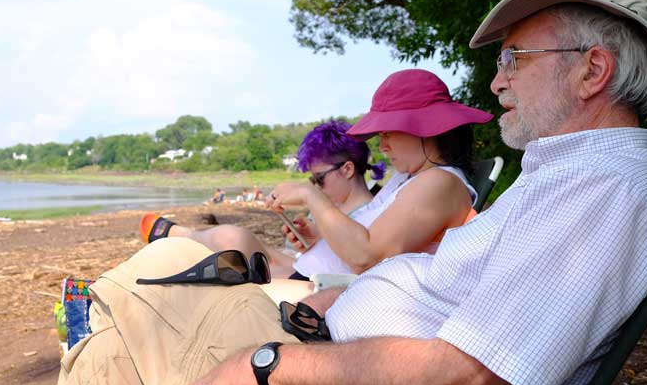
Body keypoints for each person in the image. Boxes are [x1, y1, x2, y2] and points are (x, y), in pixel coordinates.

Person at [54, 0, 647, 385]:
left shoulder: (600, 196)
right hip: (327, 341)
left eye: (513, 59)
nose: (498, 83)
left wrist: (263, 366)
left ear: (593, 71)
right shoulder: (565, 179)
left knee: (109, 355)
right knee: (118, 331)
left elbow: (454, 383)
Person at [139, 73, 491, 279]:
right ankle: (173, 240)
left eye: (388, 131)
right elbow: (368, 236)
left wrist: (312, 197)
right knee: (235, 244)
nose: (383, 144)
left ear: (426, 129)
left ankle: (173, 238)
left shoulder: (441, 183)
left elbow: (367, 255)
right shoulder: (412, 179)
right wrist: (317, 236)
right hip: (314, 275)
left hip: (323, 289)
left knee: (235, 241)